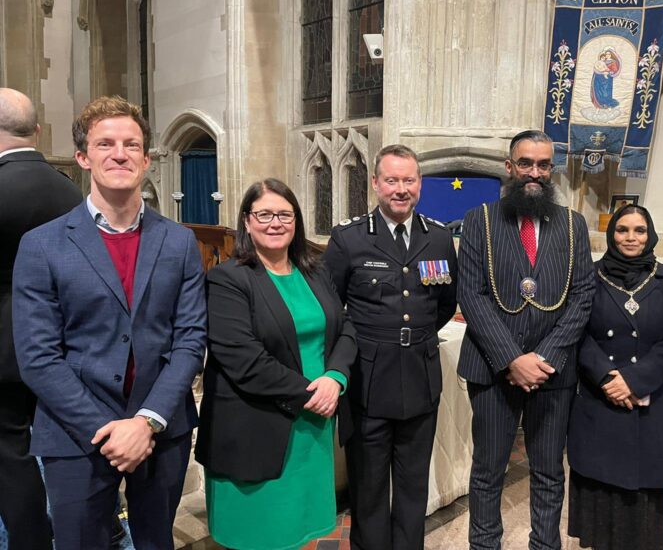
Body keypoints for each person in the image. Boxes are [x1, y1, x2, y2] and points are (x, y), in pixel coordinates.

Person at [12, 96, 206, 550]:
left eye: (131, 144)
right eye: (105, 143)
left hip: (161, 429)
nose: (119, 153)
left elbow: (191, 338)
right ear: (83, 157)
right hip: (74, 431)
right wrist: (109, 429)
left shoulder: (178, 242)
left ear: (146, 158)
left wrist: (146, 422)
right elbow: (38, 356)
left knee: (156, 542)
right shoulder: (42, 246)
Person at [195, 178, 357, 550]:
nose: (275, 223)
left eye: (284, 214)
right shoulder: (228, 279)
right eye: (264, 214)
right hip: (258, 428)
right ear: (247, 221)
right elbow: (242, 358)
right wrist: (312, 393)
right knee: (259, 537)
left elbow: (345, 327)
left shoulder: (315, 271)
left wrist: (335, 377)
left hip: (312, 429)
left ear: (296, 221)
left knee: (300, 534)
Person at [457, 129, 594, 550]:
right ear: (509, 167)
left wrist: (545, 356)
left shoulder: (573, 224)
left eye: (543, 164)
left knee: (550, 471)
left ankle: (544, 545)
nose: (534, 172)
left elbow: (583, 294)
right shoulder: (478, 220)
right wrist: (512, 359)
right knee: (487, 471)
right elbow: (472, 294)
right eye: (525, 163)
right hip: (493, 369)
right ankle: (484, 545)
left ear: (551, 169)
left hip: (553, 373)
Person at [323, 145, 458, 550]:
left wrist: (411, 340)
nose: (401, 189)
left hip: (420, 376)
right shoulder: (348, 239)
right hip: (368, 382)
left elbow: (445, 304)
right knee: (368, 488)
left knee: (414, 486)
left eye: (409, 180)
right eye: (393, 180)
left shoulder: (437, 237)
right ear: (376, 184)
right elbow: (332, 310)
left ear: (420, 184)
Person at [566, 204, 663, 550]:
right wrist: (607, 378)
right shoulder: (587, 276)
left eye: (639, 230)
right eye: (622, 230)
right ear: (610, 234)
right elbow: (576, 332)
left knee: (643, 497)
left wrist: (634, 381)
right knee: (601, 487)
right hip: (600, 399)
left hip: (648, 403)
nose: (630, 237)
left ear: (650, 234)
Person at [0, 88, 82, 550]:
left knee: (9, 450)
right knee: (67, 437)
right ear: (36, 131)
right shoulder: (70, 190)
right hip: (64, 340)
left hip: (5, 347)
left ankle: (31, 539)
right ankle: (97, 524)